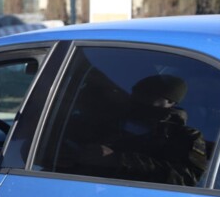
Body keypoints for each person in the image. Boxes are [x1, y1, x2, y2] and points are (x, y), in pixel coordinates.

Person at [71, 74, 207, 186]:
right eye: (137, 92)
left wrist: (119, 160)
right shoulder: (109, 119)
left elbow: (187, 179)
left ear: (171, 103)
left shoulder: (184, 136)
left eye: (149, 95)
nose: (138, 98)